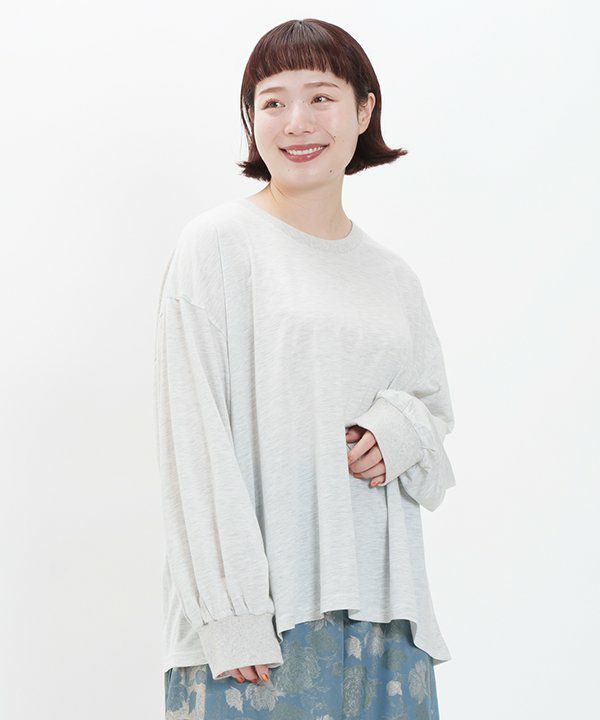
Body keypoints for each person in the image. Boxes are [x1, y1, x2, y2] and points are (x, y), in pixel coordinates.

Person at [155, 17, 457, 720]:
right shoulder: (218, 245)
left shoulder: (392, 276)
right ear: (251, 118)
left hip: (385, 613)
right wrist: (232, 613)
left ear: (364, 110)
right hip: (260, 624)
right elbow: (192, 438)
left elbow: (433, 415)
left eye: (321, 97)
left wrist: (396, 430)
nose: (297, 122)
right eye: (273, 101)